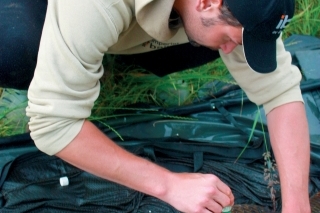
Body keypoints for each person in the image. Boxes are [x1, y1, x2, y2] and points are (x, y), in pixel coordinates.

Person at [0, 0, 311, 212]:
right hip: (44, 9)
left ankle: (99, 52)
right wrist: (169, 185)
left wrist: (297, 203)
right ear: (206, 1)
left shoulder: (221, 9)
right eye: (231, 37)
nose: (231, 48)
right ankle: (60, 65)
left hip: (140, 16)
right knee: (15, 48)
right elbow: (53, 125)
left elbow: (281, 91)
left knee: (209, 36)